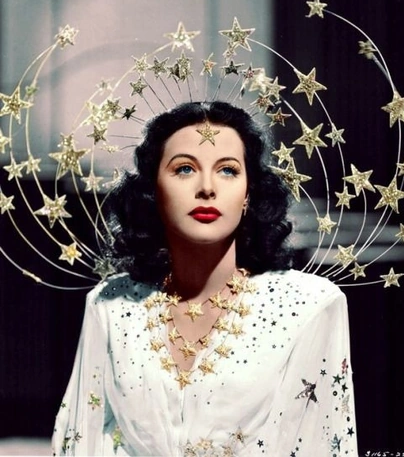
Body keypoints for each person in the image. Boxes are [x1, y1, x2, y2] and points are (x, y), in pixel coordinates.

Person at [52, 101, 358, 456]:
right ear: (154, 191)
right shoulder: (112, 304)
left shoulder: (309, 307)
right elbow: (84, 438)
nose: (207, 188)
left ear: (248, 193)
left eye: (228, 170)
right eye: (184, 169)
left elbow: (321, 442)